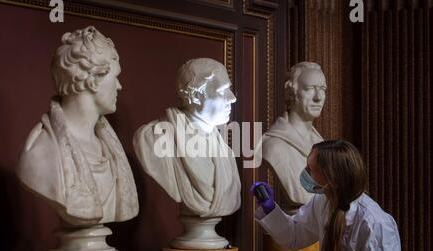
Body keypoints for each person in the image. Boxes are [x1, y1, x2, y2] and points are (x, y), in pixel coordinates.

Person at [16, 26, 139, 226]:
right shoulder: (39, 153)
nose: (119, 86)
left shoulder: (108, 147)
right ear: (92, 79)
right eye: (115, 77)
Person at [252, 140, 408, 251]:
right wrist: (270, 208)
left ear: (331, 177)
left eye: (310, 170)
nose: (305, 173)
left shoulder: (375, 224)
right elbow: (294, 236)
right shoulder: (322, 202)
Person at [133, 58, 241, 219]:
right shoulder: (152, 138)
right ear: (196, 96)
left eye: (230, 89)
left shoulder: (226, 152)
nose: (233, 98)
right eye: (223, 90)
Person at [259, 62, 326, 214]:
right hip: (297, 229)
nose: (318, 97)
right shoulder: (274, 147)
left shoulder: (323, 145)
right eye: (310, 89)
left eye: (323, 89)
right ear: (291, 93)